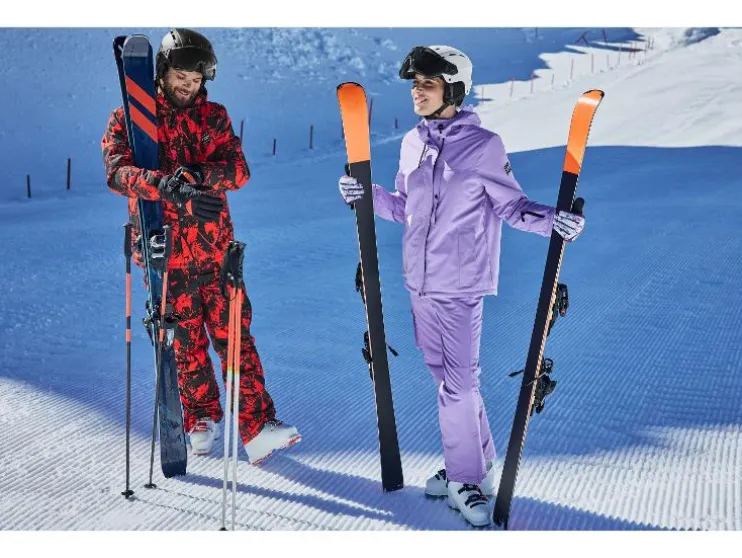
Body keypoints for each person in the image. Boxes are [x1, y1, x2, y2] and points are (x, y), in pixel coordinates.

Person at [338, 45, 585, 527]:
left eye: (427, 83)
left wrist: (554, 222)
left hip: (460, 284)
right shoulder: (412, 143)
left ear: (453, 89)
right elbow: (404, 207)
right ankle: (477, 463)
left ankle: (464, 478)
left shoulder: (484, 146)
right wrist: (366, 195)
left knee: (460, 382)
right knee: (447, 378)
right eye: (415, 84)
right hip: (419, 282)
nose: (417, 92)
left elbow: (512, 206)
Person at [102, 28, 300, 465]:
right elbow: (116, 173)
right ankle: (200, 420)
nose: (188, 86)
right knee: (185, 345)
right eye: (181, 76)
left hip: (215, 252)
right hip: (165, 256)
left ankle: (257, 428)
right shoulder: (130, 119)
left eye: (195, 79)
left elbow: (239, 170)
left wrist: (197, 177)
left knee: (236, 340)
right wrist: (163, 186)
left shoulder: (214, 117)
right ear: (162, 71)